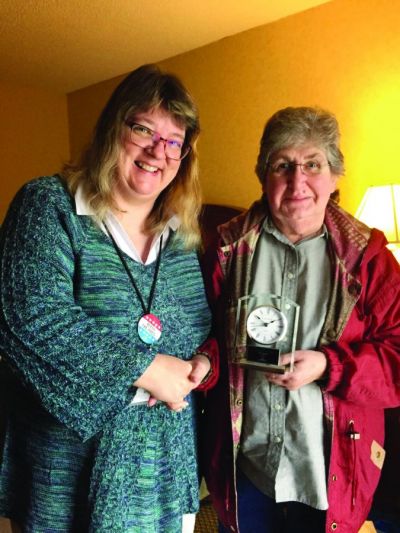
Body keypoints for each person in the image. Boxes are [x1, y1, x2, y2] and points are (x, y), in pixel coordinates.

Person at [0, 64, 218, 532]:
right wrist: (146, 368)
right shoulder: (49, 206)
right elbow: (30, 317)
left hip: (164, 465)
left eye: (174, 141)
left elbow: (200, 329)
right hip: (66, 471)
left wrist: (199, 363)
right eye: (143, 129)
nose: (158, 151)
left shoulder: (182, 238)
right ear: (111, 129)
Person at [200, 106, 400, 533]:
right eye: (283, 165)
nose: (298, 182)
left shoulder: (369, 259)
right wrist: (204, 363)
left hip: (329, 467)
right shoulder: (225, 250)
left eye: (313, 164)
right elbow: (204, 337)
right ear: (263, 176)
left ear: (334, 176)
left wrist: (330, 365)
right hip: (246, 463)